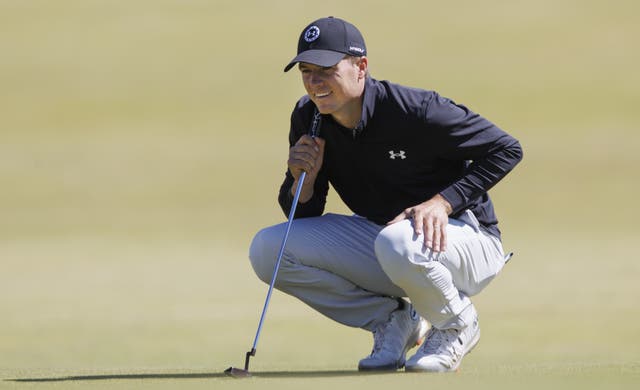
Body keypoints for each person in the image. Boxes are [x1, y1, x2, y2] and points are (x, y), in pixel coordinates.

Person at [249, 16, 523, 372]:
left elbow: (506, 149)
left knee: (397, 241)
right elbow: (303, 216)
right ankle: (392, 320)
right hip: (389, 243)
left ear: (360, 67)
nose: (314, 82)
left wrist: (442, 203)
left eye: (325, 69)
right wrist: (304, 181)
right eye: (305, 70)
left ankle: (456, 324)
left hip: (468, 239)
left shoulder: (415, 111)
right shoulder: (309, 117)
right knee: (269, 249)